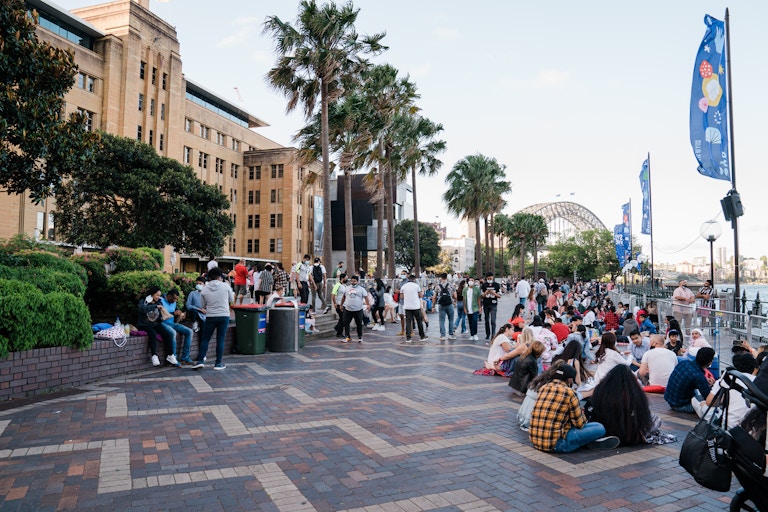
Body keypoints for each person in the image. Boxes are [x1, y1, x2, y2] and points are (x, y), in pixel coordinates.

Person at [529, 364, 620, 453]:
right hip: (556, 444)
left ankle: (586, 441)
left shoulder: (543, 388)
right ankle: (587, 441)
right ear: (569, 379)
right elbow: (579, 424)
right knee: (599, 428)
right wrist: (581, 413)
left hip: (535, 440)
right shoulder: (569, 392)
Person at [590, 365, 655, 446]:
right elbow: (643, 416)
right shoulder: (635, 393)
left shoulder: (601, 389)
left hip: (606, 429)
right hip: (630, 435)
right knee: (655, 419)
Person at [692, 352, 757, 426]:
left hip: (728, 424)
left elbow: (709, 402)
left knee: (698, 402)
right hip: (749, 426)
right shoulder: (758, 382)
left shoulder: (728, 377)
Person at [193, 266, 234, 370]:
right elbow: (231, 299)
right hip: (223, 315)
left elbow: (203, 305)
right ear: (220, 276)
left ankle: (200, 360)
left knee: (205, 338)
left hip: (210, 316)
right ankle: (218, 363)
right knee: (220, 339)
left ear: (210, 277)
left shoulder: (204, 289)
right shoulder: (225, 286)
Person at [664, 347, 715, 413]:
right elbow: (708, 398)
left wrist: (705, 381)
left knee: (699, 394)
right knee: (711, 406)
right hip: (680, 405)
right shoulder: (699, 376)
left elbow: (689, 379)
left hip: (670, 399)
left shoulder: (684, 363)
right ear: (709, 363)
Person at [137, 286, 176, 367]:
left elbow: (159, 315)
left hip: (155, 323)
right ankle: (154, 355)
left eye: (159, 295)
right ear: (152, 295)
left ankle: (170, 355)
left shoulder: (159, 302)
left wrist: (163, 316)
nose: (159, 297)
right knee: (153, 334)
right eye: (157, 295)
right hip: (145, 324)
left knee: (167, 334)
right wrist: (155, 306)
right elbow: (143, 309)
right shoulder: (144, 302)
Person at [160, 288, 190, 366]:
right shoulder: (161, 301)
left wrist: (180, 315)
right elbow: (161, 316)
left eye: (176, 299)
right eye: (173, 299)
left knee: (189, 331)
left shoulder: (174, 302)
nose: (174, 301)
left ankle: (185, 356)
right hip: (163, 323)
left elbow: (175, 312)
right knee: (173, 333)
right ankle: (174, 358)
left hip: (172, 323)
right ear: (169, 296)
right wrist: (174, 313)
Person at [340, 275, 371, 343]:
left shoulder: (361, 289)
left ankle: (360, 337)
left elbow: (366, 297)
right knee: (346, 323)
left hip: (358, 310)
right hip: (348, 309)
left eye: (354, 281)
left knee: (359, 324)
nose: (353, 282)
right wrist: (341, 305)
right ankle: (347, 337)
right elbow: (344, 297)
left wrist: (368, 305)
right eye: (352, 281)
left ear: (357, 281)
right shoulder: (347, 288)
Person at [400, 274, 427, 343]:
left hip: (407, 306)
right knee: (419, 321)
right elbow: (420, 295)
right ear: (414, 279)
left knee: (408, 322)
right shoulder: (416, 286)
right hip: (416, 306)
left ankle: (408, 338)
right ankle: (422, 336)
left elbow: (401, 297)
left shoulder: (404, 286)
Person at [480, 272, 501, 341]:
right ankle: (488, 334)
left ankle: (493, 334)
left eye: (491, 277)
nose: (489, 279)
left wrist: (493, 293)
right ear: (486, 278)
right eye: (488, 278)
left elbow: (499, 296)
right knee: (486, 320)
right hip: (486, 304)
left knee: (493, 320)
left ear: (493, 277)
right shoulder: (484, 285)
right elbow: (481, 296)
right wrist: (486, 293)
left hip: (493, 304)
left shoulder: (496, 285)